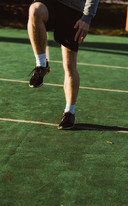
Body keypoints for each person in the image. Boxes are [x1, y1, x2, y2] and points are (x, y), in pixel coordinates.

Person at [27, 0, 99, 129]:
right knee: (35, 10)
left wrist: (87, 18)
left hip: (73, 10)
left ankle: (69, 112)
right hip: (51, 4)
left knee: (69, 65)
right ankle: (41, 65)